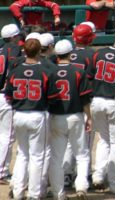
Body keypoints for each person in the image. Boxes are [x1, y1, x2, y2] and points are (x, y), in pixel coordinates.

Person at [5, 38, 58, 200]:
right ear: (38, 51)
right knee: (36, 156)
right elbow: (53, 98)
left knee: (22, 154)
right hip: (37, 114)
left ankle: (18, 192)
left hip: (19, 115)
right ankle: (34, 194)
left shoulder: (15, 70)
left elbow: (8, 96)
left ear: (25, 51)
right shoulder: (45, 71)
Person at [86, 26, 115, 193]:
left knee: (104, 140)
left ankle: (98, 176)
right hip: (114, 103)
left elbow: (89, 77)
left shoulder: (98, 53)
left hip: (96, 101)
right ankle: (114, 185)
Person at [48, 39, 93, 200]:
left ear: (57, 55)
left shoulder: (50, 71)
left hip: (56, 117)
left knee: (56, 157)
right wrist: (89, 116)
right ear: (71, 54)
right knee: (81, 154)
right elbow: (85, 98)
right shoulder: (78, 72)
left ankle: (58, 193)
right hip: (75, 116)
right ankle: (81, 187)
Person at [62, 23, 96, 188]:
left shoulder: (65, 54)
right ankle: (85, 174)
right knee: (85, 141)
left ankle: (67, 174)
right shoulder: (92, 55)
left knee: (69, 141)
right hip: (85, 101)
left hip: (66, 101)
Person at [0, 24, 22, 185]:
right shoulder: (14, 50)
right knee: (7, 136)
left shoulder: (0, 49)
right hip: (6, 97)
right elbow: (13, 72)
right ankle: (1, 172)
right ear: (14, 37)